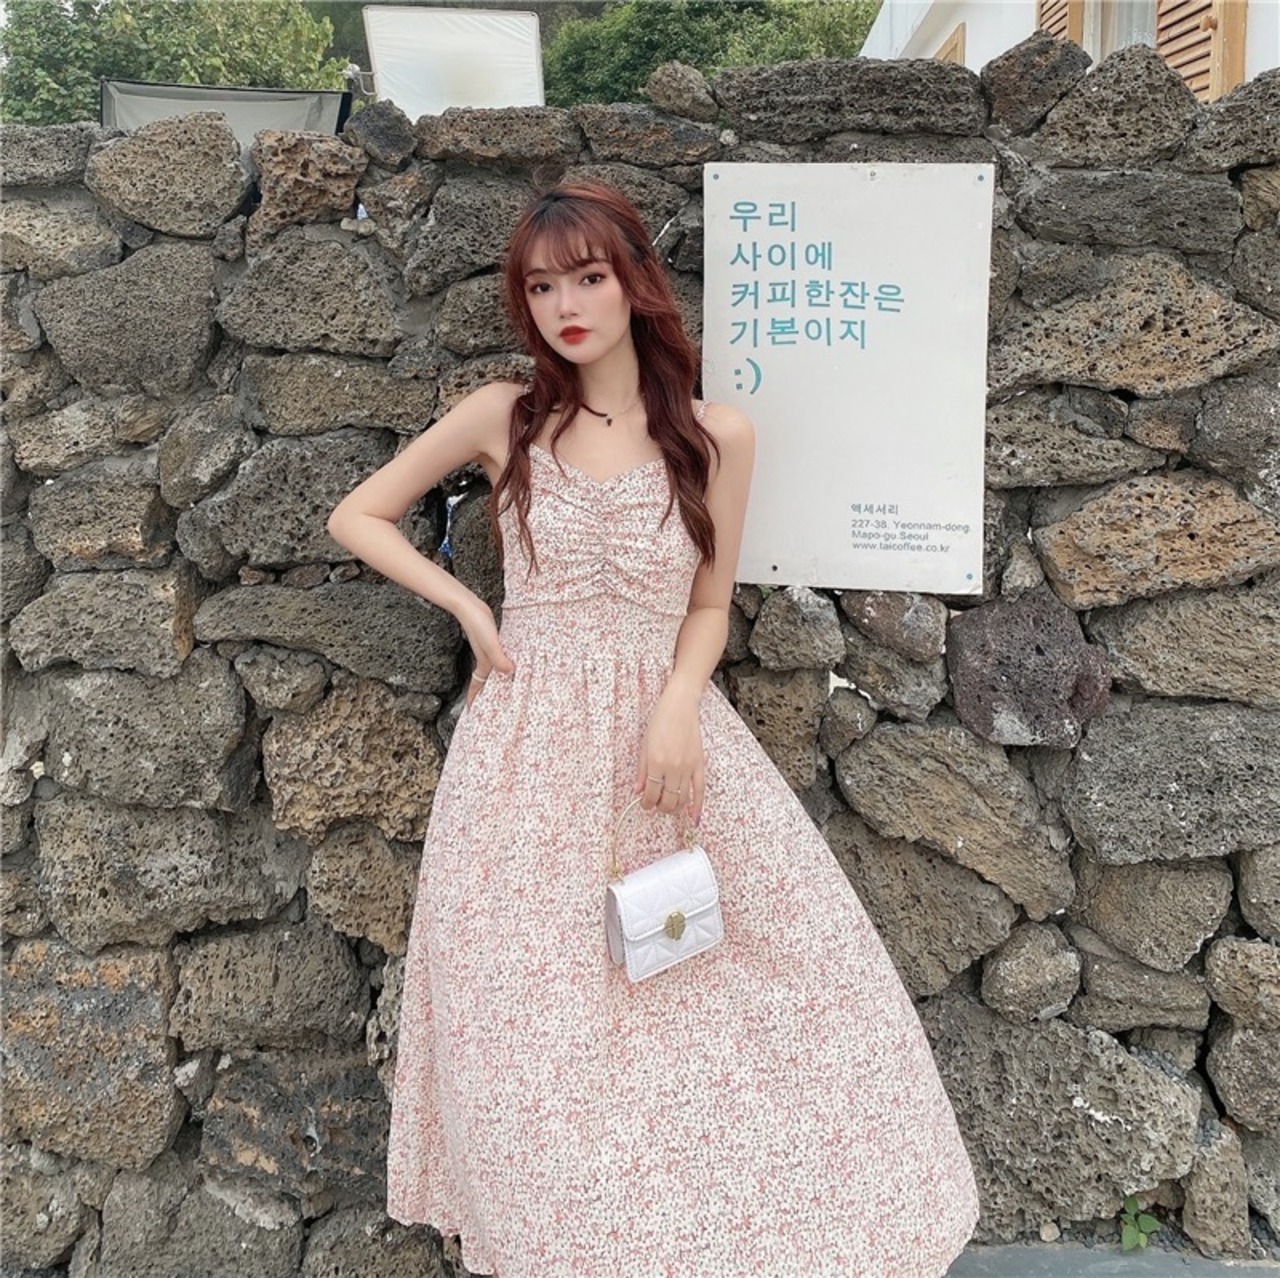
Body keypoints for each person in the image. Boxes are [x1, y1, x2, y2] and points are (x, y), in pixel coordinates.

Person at [327, 181, 979, 1277]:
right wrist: (471, 607)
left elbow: (709, 605)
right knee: (537, 1031)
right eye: (543, 287)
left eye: (588, 277)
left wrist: (676, 704)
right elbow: (358, 514)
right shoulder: (505, 417)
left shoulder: (715, 435)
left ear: (634, 282)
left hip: (664, 752)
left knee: (723, 1003)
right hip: (524, 756)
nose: (566, 307)